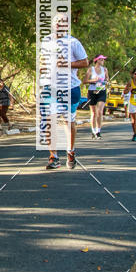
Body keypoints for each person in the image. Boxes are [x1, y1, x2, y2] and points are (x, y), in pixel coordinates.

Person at [39, 14, 88, 170]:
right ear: (52, 24)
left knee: (68, 122)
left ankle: (70, 151)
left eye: (63, 22)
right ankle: (53, 157)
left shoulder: (73, 42)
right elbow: (43, 61)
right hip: (49, 87)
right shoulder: (46, 41)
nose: (59, 24)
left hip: (69, 88)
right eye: (56, 21)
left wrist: (67, 64)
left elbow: (85, 62)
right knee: (48, 121)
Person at [84, 55, 109, 139]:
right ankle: (93, 131)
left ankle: (98, 131)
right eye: (101, 59)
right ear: (96, 60)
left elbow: (107, 80)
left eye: (103, 59)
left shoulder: (105, 69)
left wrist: (105, 82)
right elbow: (85, 81)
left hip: (101, 91)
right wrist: (93, 80)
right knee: (94, 113)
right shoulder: (91, 69)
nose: (103, 61)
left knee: (100, 111)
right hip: (92, 92)